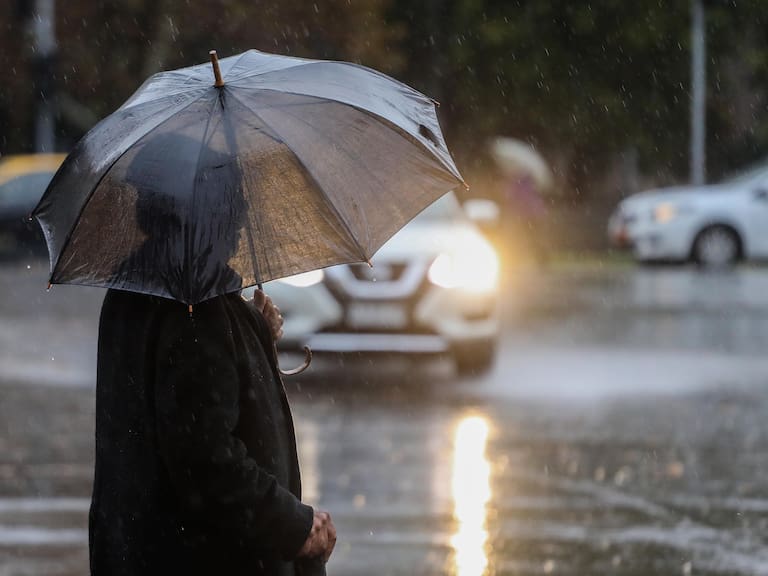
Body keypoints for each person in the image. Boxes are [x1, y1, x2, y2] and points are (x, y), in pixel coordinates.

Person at [88, 135, 335, 575]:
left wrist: (253, 330)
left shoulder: (133, 288)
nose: (241, 219)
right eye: (231, 201)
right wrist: (294, 525)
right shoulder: (196, 309)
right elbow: (206, 460)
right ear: (200, 214)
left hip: (136, 550)